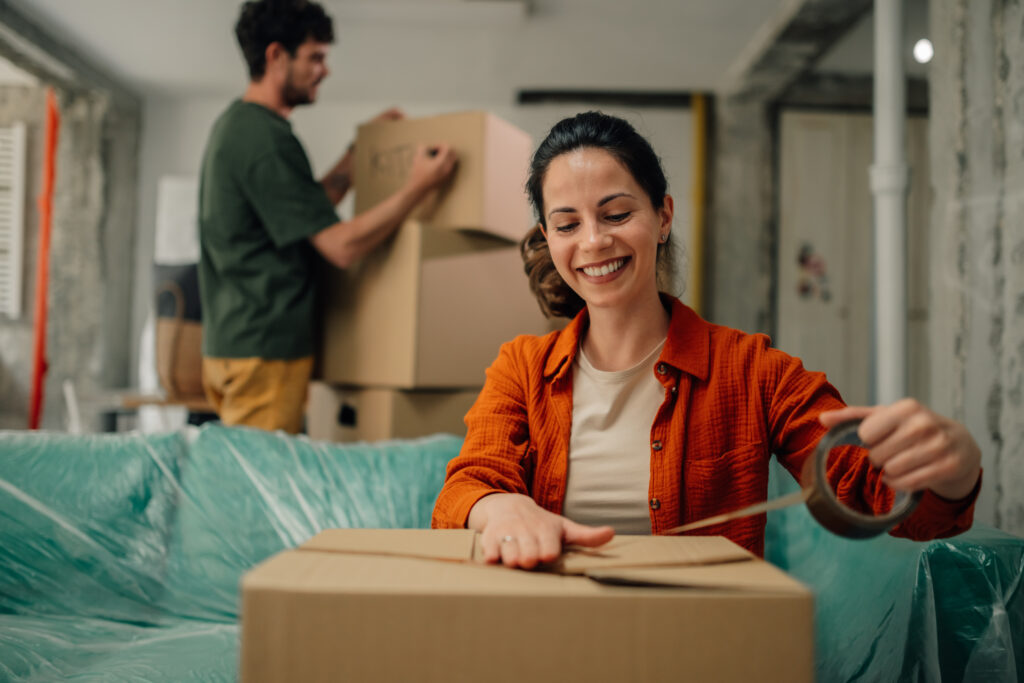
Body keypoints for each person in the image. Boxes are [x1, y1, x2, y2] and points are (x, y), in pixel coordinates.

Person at [431, 111, 982, 568]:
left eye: (616, 213)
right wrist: (498, 506)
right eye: (568, 224)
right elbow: (466, 486)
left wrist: (953, 469)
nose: (594, 241)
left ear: (663, 216)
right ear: (549, 238)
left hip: (703, 647)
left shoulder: (754, 371)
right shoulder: (522, 368)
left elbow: (874, 496)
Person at [198, 0, 457, 433]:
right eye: (315, 57)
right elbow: (341, 245)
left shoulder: (239, 128)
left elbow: (302, 208)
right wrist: (420, 187)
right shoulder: (266, 139)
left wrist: (360, 152)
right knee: (258, 489)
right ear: (276, 56)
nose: (325, 70)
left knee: (248, 476)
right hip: (265, 352)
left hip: (235, 344)